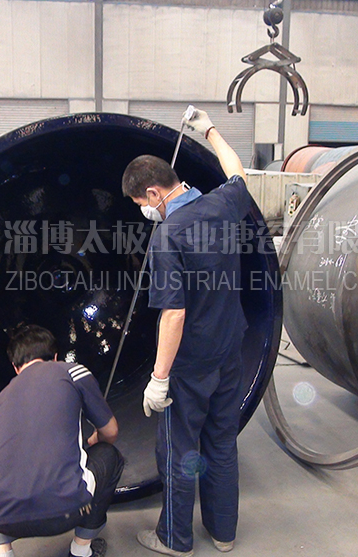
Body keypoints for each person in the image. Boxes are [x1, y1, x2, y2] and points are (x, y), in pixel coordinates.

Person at [121, 108, 251, 557]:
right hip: (230, 351)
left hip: (191, 364)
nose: (143, 211)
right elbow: (237, 171)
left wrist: (159, 378)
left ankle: (174, 539)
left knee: (178, 451)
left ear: (153, 193)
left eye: (140, 203)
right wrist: (210, 129)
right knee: (222, 442)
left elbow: (173, 315)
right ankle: (224, 533)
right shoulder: (222, 204)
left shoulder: (169, 236)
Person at [0, 324, 124, 557]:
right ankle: (81, 551)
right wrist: (95, 439)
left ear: (15, 367)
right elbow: (111, 431)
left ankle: (2, 551)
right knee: (109, 455)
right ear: (55, 357)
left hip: (2, 518)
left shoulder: (2, 396)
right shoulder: (72, 372)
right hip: (67, 512)